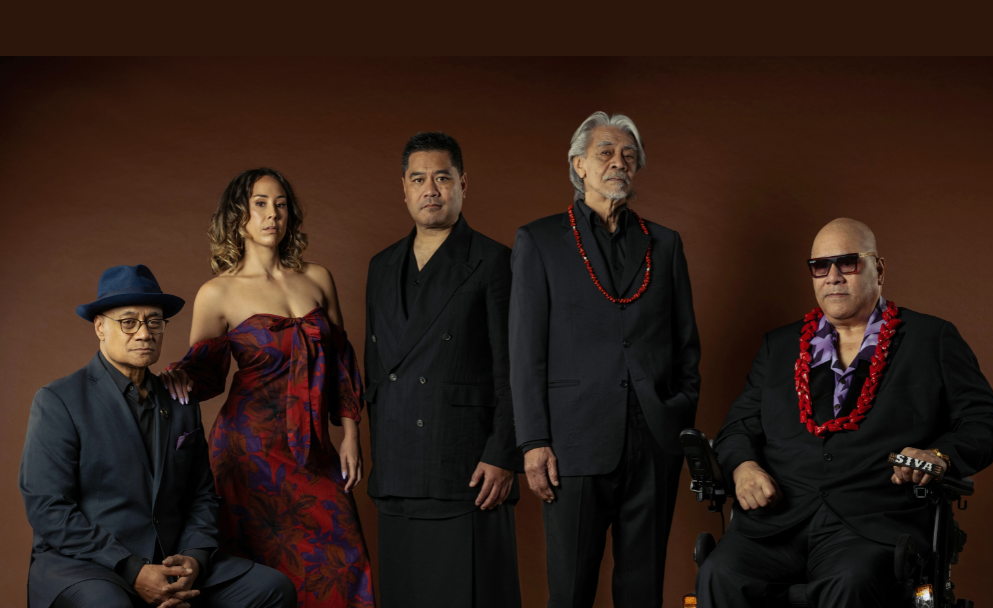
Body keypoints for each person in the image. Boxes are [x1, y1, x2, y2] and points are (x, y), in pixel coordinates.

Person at [697, 218, 993, 607]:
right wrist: (743, 466)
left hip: (873, 525)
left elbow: (987, 421)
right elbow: (738, 427)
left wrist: (939, 456)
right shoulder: (778, 347)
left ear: (878, 269)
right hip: (777, 522)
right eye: (820, 266)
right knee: (719, 573)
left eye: (847, 262)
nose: (832, 277)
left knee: (851, 581)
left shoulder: (933, 339)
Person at [20, 264, 296, 608]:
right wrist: (133, 570)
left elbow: (201, 496)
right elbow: (49, 508)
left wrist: (194, 559)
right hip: (87, 564)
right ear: (100, 328)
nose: (144, 333)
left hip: (171, 559)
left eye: (154, 321)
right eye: (129, 322)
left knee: (273, 588)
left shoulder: (180, 400)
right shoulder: (59, 400)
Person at [509, 111, 701, 607]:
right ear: (579, 165)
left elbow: (686, 344)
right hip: (573, 442)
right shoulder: (540, 240)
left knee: (643, 590)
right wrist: (533, 442)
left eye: (629, 156)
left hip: (656, 439)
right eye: (606, 153)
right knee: (571, 589)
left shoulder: (666, 244)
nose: (619, 163)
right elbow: (525, 350)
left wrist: (678, 409)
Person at [160, 169, 374, 607]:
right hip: (248, 454)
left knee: (343, 562)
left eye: (280, 204)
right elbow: (206, 374)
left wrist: (350, 434)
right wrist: (178, 374)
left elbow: (341, 362)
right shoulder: (217, 293)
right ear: (238, 216)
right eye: (260, 203)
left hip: (313, 448)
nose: (272, 214)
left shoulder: (317, 277)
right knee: (258, 570)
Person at [362, 132, 521, 607]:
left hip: (466, 467)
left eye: (441, 177)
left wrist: (503, 453)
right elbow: (375, 367)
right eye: (419, 179)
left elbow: (514, 369)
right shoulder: (381, 265)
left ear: (462, 184)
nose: (430, 189)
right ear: (404, 190)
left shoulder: (495, 261)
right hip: (397, 467)